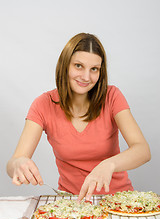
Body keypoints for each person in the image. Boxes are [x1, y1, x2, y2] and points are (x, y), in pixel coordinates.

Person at [6, 33, 151, 201]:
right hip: (72, 203)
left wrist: (109, 164)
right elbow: (14, 161)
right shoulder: (43, 104)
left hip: (117, 200)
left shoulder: (112, 96)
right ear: (65, 65)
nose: (86, 77)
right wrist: (17, 164)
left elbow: (143, 150)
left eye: (94, 69)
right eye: (78, 66)